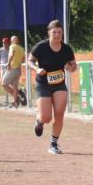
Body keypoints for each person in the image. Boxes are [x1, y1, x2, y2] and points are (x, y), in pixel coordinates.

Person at [27, 20, 77, 154]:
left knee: (59, 114)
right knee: (46, 117)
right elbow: (29, 60)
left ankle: (53, 144)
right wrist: (36, 68)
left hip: (59, 83)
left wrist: (70, 67)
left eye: (59, 32)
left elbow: (73, 65)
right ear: (49, 32)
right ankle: (39, 121)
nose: (57, 35)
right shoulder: (41, 47)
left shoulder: (66, 48)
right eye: (54, 32)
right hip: (43, 83)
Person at [5, 35, 26, 107]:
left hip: (12, 68)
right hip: (18, 69)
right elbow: (23, 60)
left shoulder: (12, 46)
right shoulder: (21, 48)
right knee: (15, 86)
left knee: (3, 83)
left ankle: (17, 97)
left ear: (12, 41)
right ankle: (15, 102)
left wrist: (8, 64)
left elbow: (11, 54)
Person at [0, 37, 11, 107]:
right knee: (4, 83)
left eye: (5, 43)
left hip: (10, 68)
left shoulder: (11, 49)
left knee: (8, 83)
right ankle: (7, 99)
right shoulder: (0, 50)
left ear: (8, 43)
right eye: (3, 43)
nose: (4, 44)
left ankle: (18, 93)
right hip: (3, 68)